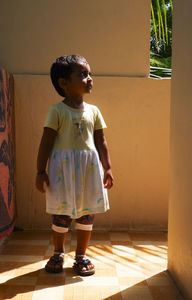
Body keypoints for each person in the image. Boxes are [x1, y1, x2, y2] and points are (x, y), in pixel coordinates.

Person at [35, 55, 113, 276]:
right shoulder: (56, 111)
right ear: (63, 82)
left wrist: (107, 168)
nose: (89, 79)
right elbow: (46, 142)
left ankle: (81, 255)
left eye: (90, 74)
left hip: (89, 171)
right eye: (83, 74)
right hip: (62, 171)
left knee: (87, 214)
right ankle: (58, 253)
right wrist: (40, 171)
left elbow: (101, 141)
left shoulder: (94, 111)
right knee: (61, 214)